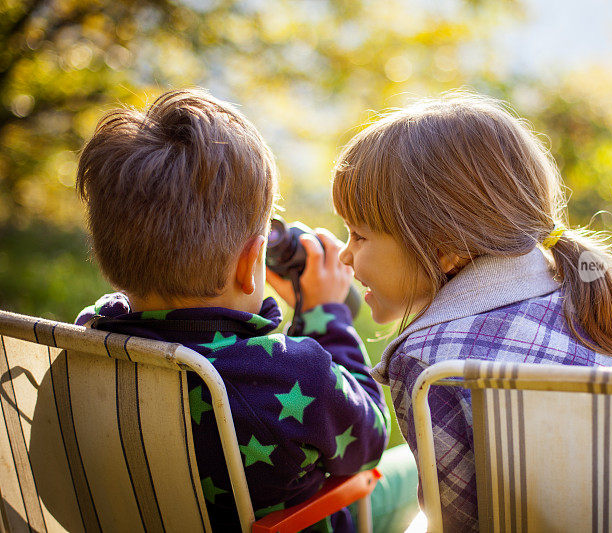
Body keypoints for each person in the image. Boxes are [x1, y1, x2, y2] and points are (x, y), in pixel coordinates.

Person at [331, 92, 612, 531]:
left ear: (445, 249)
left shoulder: (429, 363)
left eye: (359, 236)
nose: (345, 257)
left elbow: (456, 521)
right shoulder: (608, 299)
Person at [74, 88, 389, 531]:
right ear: (251, 262)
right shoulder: (296, 375)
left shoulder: (90, 343)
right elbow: (368, 436)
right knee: (404, 474)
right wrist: (324, 315)